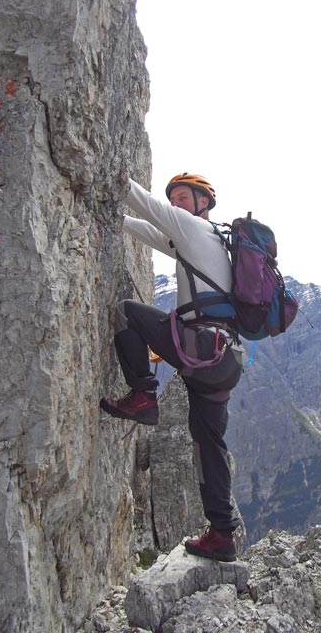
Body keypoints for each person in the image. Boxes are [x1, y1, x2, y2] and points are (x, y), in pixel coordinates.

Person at [100, 172, 245, 562]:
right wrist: (119, 221)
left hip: (199, 349)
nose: (176, 204)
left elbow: (144, 204)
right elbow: (145, 230)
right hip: (224, 359)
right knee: (208, 445)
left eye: (183, 197)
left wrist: (111, 171)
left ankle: (142, 395)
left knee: (126, 313)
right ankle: (222, 535)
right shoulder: (208, 239)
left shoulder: (191, 226)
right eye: (175, 199)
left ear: (202, 203)